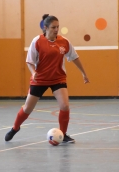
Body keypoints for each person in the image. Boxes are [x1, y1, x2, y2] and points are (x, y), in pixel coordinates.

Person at [5, 14, 89, 143]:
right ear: (45, 28)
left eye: (58, 27)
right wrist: (33, 73)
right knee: (27, 108)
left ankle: (63, 134)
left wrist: (83, 73)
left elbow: (74, 57)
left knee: (65, 106)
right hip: (40, 80)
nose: (56, 30)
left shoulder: (64, 42)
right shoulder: (37, 41)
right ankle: (15, 128)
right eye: (53, 27)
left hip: (58, 79)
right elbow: (29, 61)